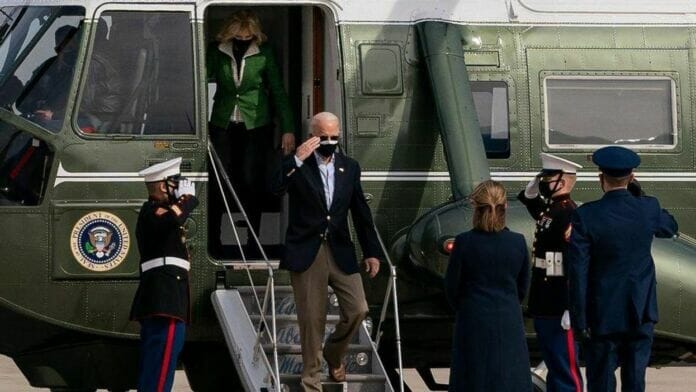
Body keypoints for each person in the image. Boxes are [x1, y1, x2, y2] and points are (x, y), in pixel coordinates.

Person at [271, 112, 382, 392]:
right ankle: (312, 381)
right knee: (312, 319)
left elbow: (360, 211)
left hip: (340, 249)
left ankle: (333, 353)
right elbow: (273, 188)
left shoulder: (350, 167)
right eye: (323, 137)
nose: (329, 142)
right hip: (307, 249)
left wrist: (372, 251)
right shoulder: (299, 165)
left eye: (334, 137)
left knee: (359, 309)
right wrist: (295, 159)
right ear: (312, 136)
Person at [567, 146, 678, 392]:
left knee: (601, 380)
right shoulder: (648, 208)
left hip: (601, 312)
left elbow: (578, 271)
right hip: (640, 309)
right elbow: (669, 227)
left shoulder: (586, 216)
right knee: (635, 378)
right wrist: (640, 195)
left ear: (600, 178)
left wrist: (579, 319)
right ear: (632, 178)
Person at [207, 10, 295, 257]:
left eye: (248, 36)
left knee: (251, 181)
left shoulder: (264, 53)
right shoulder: (216, 51)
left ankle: (252, 242)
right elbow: (200, 78)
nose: (243, 40)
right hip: (223, 123)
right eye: (239, 35)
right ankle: (214, 240)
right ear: (230, 33)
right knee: (218, 182)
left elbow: (277, 90)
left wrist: (287, 128)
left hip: (256, 126)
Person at [445, 180, 531, 392]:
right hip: (508, 318)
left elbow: (452, 286)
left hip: (473, 318)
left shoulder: (464, 242)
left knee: (473, 379)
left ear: (476, 207)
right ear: (505, 207)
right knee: (509, 379)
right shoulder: (518, 242)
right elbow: (523, 286)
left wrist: (464, 306)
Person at [129, 157, 198, 392]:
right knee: (159, 366)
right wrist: (187, 200)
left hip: (167, 299)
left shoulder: (160, 212)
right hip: (164, 299)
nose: (178, 187)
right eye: (174, 182)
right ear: (161, 186)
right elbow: (170, 220)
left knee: (160, 365)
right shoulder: (153, 212)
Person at [518, 153, 583, 392]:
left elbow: (574, 262)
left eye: (549, 177)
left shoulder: (568, 214)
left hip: (558, 300)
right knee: (555, 363)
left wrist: (570, 303)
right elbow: (533, 207)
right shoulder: (552, 210)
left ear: (563, 181)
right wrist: (532, 190)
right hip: (545, 298)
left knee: (565, 368)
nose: (545, 181)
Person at [16, 25, 81, 130]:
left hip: (65, 124)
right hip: (40, 119)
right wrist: (38, 106)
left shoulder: (85, 68)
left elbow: (86, 106)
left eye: (70, 48)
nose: (66, 52)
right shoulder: (49, 67)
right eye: (61, 48)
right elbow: (26, 98)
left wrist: (55, 115)